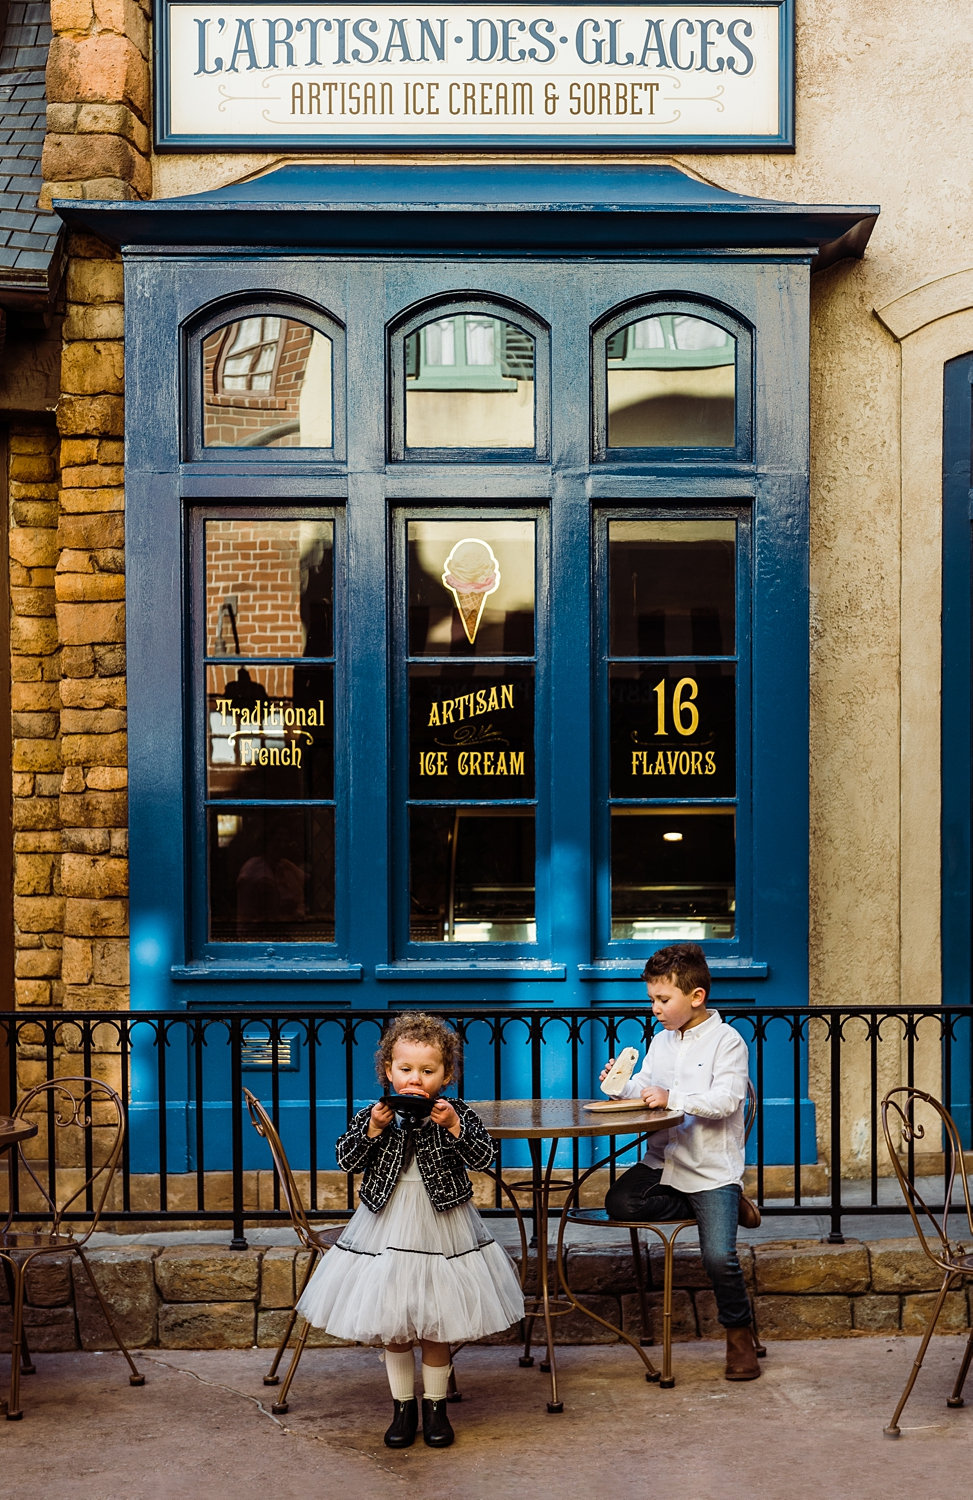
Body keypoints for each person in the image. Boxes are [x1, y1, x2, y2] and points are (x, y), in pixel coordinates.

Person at [296, 1011, 525, 1448]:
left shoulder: (456, 1113)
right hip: (386, 1224)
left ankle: (436, 1408)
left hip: (444, 1225)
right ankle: (403, 1407)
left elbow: (483, 1158)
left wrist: (455, 1127)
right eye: (405, 1070)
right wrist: (373, 1130)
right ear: (388, 1070)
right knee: (395, 1322)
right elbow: (346, 1161)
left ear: (447, 1074)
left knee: (436, 1322)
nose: (415, 1079)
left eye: (427, 1071)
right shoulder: (375, 1113)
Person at [600, 942, 761, 1381]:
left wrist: (675, 1099)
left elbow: (727, 1100)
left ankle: (739, 1335)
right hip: (663, 1164)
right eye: (651, 999)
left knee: (718, 1258)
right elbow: (647, 1086)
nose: (654, 1008)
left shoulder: (728, 1042)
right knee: (620, 1203)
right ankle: (717, 1211)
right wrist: (623, 1086)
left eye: (662, 999)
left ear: (696, 996)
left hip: (709, 1168)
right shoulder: (662, 1040)